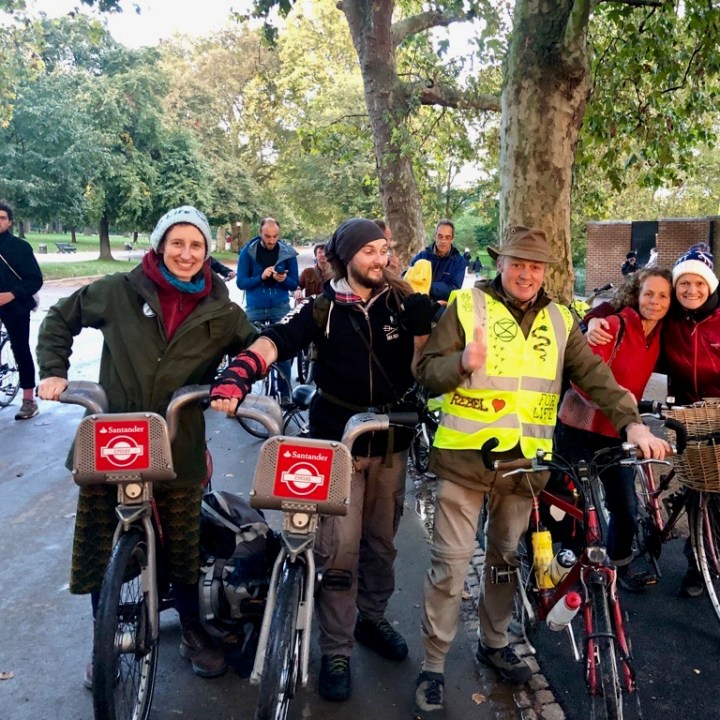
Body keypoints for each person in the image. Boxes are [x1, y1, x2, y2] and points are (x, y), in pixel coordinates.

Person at [411, 226, 670, 717]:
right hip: (466, 460)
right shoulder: (467, 307)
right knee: (450, 566)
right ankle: (434, 664)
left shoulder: (559, 318)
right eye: (517, 263)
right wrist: (463, 362)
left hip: (523, 466)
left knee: (506, 561)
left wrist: (631, 424)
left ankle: (494, 642)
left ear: (545, 272)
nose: (526, 274)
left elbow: (594, 375)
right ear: (501, 263)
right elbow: (426, 373)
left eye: (535, 266)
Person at [210, 218, 435, 702]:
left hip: (392, 448)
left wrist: (428, 332)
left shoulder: (402, 303)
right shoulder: (322, 309)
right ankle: (336, 647)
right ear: (346, 257)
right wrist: (237, 377)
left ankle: (371, 618)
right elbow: (274, 340)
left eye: (384, 249)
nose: (381, 258)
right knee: (339, 552)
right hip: (339, 452)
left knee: (382, 545)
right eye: (370, 251)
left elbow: (434, 363)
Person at [36, 205, 257, 687]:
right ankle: (105, 638)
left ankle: (195, 629)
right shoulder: (117, 291)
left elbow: (254, 348)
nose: (186, 253)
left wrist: (235, 381)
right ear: (160, 245)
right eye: (177, 243)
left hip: (179, 443)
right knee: (103, 546)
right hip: (115, 440)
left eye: (196, 245)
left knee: (183, 547)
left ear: (207, 251)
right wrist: (53, 370)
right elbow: (58, 318)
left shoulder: (222, 312)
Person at [588, 246, 720, 598]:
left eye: (698, 284)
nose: (690, 291)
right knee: (699, 493)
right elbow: (623, 304)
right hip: (691, 414)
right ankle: (699, 566)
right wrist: (594, 318)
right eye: (683, 284)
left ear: (710, 284)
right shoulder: (671, 313)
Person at [556, 268, 672, 591]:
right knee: (573, 506)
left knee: (625, 507)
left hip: (618, 434)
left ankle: (618, 569)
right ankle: (574, 568)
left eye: (663, 295)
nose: (655, 301)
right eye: (649, 293)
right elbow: (583, 378)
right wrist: (621, 403)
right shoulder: (614, 326)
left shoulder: (661, 334)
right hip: (579, 428)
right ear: (636, 294)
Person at [236, 217, 298, 399]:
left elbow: (294, 284)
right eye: (267, 236)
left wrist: (284, 280)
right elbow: (241, 282)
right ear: (260, 233)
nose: (271, 241)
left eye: (275, 236)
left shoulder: (288, 253)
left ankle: (285, 393)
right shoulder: (247, 252)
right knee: (248, 350)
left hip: (280, 306)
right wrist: (260, 277)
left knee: (284, 350)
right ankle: (241, 393)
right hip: (255, 307)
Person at [0, 200, 43, 419]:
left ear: (9, 222)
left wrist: (11, 294)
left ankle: (28, 400)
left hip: (15, 306)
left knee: (20, 349)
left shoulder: (19, 247)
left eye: (2, 218)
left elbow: (35, 280)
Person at [409, 219, 468, 304]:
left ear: (452, 239)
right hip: (420, 304)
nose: (443, 241)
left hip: (443, 307)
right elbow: (408, 276)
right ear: (435, 236)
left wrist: (426, 285)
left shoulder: (459, 262)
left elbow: (453, 288)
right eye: (440, 236)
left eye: (447, 237)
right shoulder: (423, 256)